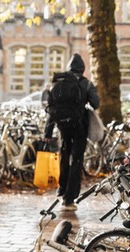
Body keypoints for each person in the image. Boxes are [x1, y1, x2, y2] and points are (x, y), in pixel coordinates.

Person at [44, 53, 100, 211]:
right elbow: (96, 103)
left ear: (69, 68)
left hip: (63, 126)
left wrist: (48, 132)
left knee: (64, 154)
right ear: (83, 69)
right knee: (76, 159)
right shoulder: (86, 83)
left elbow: (52, 109)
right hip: (79, 125)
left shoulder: (59, 82)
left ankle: (62, 189)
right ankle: (69, 198)